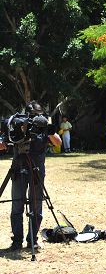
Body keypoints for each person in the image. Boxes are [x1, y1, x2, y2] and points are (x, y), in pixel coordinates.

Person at [8, 101, 49, 251]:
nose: (35, 120)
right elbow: (4, 143)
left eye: (38, 116)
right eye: (33, 117)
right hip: (18, 170)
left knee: (36, 206)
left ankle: (33, 239)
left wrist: (48, 131)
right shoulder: (18, 127)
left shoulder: (44, 129)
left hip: (37, 171)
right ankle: (17, 241)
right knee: (17, 206)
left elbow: (57, 141)